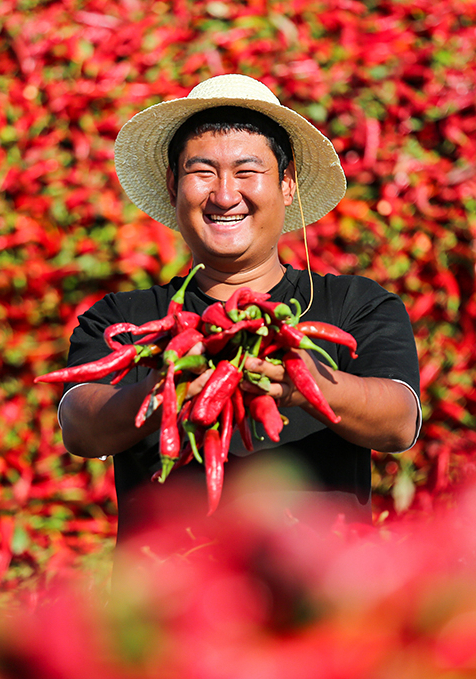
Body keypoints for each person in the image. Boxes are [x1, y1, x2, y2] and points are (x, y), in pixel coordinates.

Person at [58, 74, 421, 537]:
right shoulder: (122, 320)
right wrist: (167, 385)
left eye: (247, 172)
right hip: (167, 600)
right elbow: (79, 425)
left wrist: (300, 383)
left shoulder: (356, 305)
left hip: (323, 600)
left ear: (287, 185)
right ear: (173, 186)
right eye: (202, 172)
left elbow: (399, 421)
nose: (225, 195)